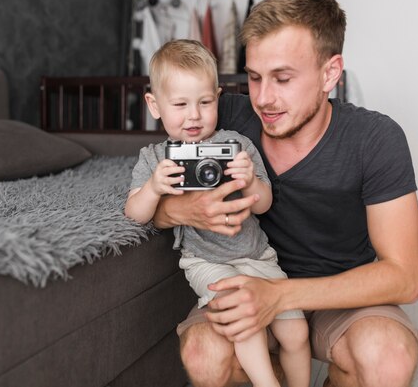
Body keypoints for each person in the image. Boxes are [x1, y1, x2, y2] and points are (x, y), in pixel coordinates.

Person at [153, 0, 418, 387]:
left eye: (282, 78)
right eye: (255, 77)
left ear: (330, 72)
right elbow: (149, 186)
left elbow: (405, 277)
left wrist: (280, 295)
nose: (263, 98)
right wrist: (184, 209)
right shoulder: (219, 116)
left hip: (341, 296)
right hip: (245, 277)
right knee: (203, 353)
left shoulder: (376, 139)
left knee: (388, 358)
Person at [125, 39, 311, 387]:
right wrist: (153, 188)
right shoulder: (154, 157)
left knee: (296, 331)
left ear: (218, 98)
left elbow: (265, 202)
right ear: (154, 105)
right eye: (180, 104)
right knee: (242, 317)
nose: (194, 115)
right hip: (205, 260)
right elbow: (135, 213)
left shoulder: (236, 145)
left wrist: (251, 183)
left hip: (257, 255)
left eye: (205, 102)